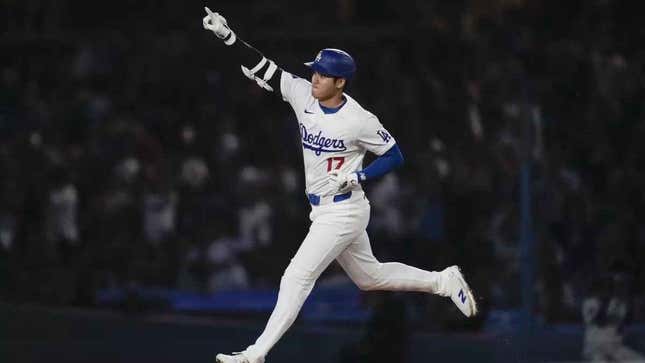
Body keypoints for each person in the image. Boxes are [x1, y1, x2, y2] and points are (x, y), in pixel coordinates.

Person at [202, 8, 478, 363]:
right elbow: (263, 67)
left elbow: (395, 155)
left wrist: (360, 175)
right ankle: (443, 282)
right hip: (322, 208)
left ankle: (257, 353)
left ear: (341, 82)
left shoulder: (359, 120)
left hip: (345, 208)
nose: (315, 77)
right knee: (370, 277)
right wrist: (228, 36)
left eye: (324, 74)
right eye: (315, 71)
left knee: (296, 276)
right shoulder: (303, 95)